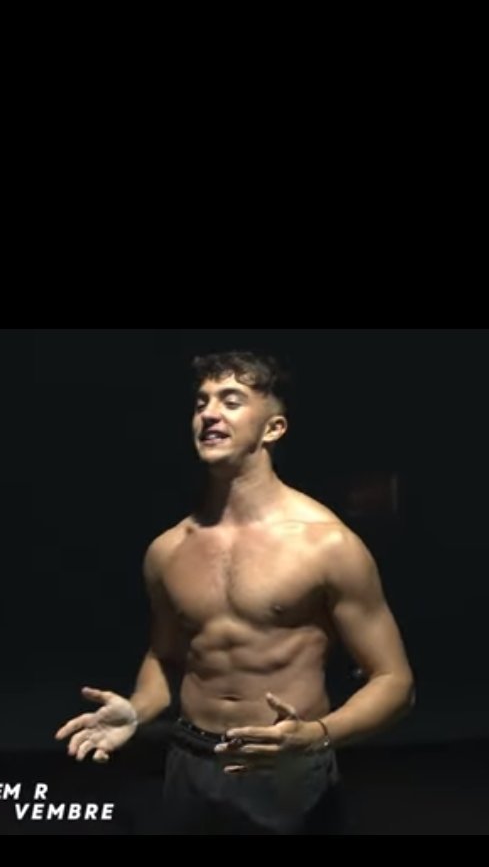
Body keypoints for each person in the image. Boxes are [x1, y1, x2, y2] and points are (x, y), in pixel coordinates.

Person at [57, 353, 415, 834]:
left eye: (231, 401)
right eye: (201, 402)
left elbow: (394, 681)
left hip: (284, 765)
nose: (209, 413)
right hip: (189, 763)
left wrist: (317, 735)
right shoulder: (167, 550)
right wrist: (137, 711)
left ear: (273, 429)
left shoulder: (327, 544)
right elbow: (166, 655)